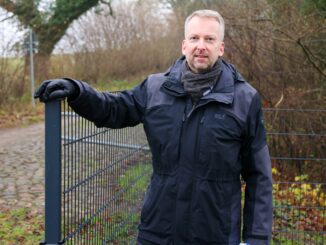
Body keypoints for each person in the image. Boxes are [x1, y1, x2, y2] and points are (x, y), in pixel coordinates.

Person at [35, 9, 273, 245]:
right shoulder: (155, 88)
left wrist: (256, 239)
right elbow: (114, 109)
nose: (201, 45)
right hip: (159, 231)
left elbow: (259, 176)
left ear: (220, 48)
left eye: (209, 39)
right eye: (194, 38)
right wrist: (78, 91)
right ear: (184, 45)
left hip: (216, 234)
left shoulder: (244, 99)